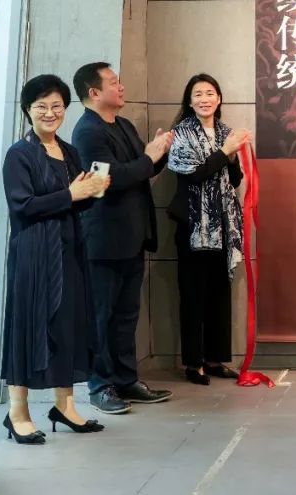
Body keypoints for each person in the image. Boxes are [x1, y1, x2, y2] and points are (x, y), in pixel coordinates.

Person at [0, 75, 110, 444]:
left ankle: (65, 406)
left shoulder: (69, 151)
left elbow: (74, 202)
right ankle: (17, 413)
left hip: (69, 250)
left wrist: (93, 191)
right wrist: (71, 193)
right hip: (33, 254)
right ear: (27, 110)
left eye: (57, 106)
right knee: (28, 327)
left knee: (68, 326)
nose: (50, 113)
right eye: (41, 106)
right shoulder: (19, 154)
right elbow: (22, 206)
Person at [71, 63, 174, 414]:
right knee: (101, 316)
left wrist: (160, 152)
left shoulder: (124, 125)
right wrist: (148, 157)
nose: (121, 87)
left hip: (133, 236)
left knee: (126, 315)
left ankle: (127, 379)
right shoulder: (87, 132)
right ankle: (100, 386)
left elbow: (141, 171)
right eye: (114, 82)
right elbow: (107, 181)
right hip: (104, 241)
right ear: (93, 92)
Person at [168, 74, 250, 385]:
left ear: (219, 99)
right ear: (189, 102)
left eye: (210, 93)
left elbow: (235, 180)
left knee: (219, 294)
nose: (204, 99)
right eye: (198, 94)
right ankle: (193, 363)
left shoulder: (226, 133)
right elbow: (193, 175)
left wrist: (231, 156)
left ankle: (215, 360)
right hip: (193, 226)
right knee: (193, 295)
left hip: (224, 227)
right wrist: (223, 152)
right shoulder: (181, 133)